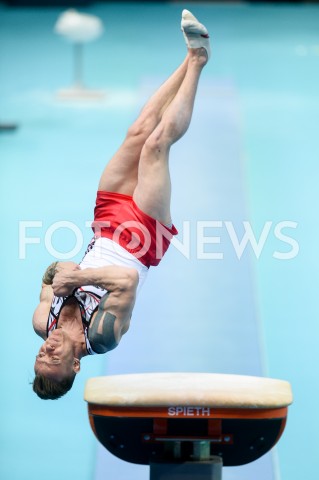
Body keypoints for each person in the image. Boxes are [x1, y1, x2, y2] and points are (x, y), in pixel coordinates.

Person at [32, 9, 211, 400]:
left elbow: (50, 277)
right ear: (75, 364)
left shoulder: (42, 322)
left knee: (138, 130)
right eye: (53, 358)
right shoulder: (103, 334)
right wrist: (74, 277)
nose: (46, 349)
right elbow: (126, 281)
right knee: (156, 146)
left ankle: (190, 54)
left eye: (40, 356)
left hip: (105, 224)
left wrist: (58, 270)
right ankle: (198, 63)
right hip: (141, 242)